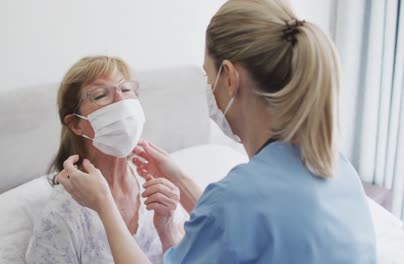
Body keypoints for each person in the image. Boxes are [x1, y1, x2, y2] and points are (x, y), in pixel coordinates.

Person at [58, 0, 377, 263]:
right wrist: (180, 180)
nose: (208, 89)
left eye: (207, 75)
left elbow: (235, 216)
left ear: (228, 77)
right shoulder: (337, 168)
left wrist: (104, 204)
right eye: (101, 95)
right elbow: (239, 230)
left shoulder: (236, 198)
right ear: (73, 122)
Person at [25, 56, 186, 264]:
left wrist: (168, 230)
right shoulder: (62, 214)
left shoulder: (153, 181)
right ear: (76, 124)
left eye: (126, 90)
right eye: (101, 95)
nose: (122, 101)